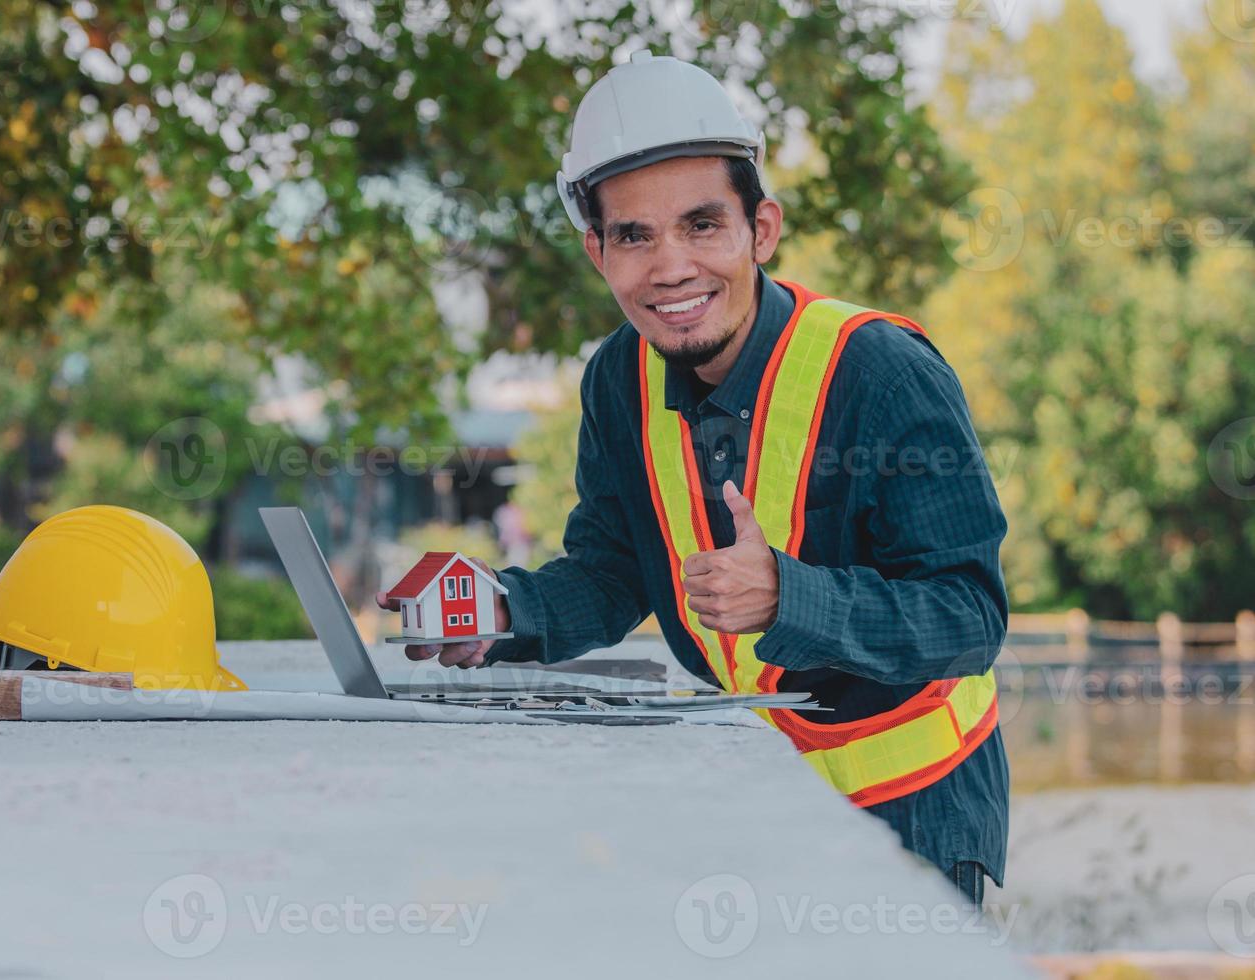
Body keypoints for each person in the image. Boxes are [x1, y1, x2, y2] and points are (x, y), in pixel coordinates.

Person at [377, 51, 1008, 907]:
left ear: (763, 229)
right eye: (634, 235)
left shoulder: (883, 372)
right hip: (748, 793)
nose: (670, 266)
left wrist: (790, 597)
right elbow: (612, 572)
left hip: (912, 818)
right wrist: (501, 610)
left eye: (702, 225)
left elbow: (968, 617)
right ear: (597, 250)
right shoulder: (616, 378)